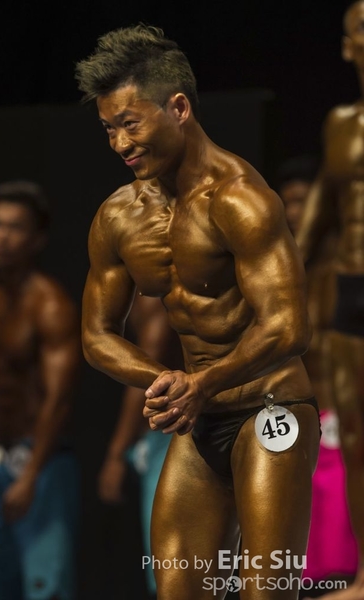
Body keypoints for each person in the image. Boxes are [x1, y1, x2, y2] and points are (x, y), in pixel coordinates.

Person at [76, 24, 320, 600]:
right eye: (108, 128)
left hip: (271, 408)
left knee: (268, 593)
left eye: (130, 123)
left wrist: (202, 382)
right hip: (198, 416)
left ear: (178, 108)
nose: (119, 143)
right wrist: (167, 382)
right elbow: (97, 336)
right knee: (179, 591)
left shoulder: (239, 198)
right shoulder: (118, 217)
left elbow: (289, 326)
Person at [0, 180, 81, 600]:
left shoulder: (50, 304)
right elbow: (0, 388)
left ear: (37, 240)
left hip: (41, 461)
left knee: (45, 588)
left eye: (14, 227)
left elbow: (58, 399)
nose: (2, 236)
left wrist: (31, 473)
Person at [296, 3, 364, 598]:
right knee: (358, 438)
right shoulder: (340, 124)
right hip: (352, 287)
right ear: (348, 46)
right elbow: (319, 208)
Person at [277, 156, 359, 590]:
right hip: (300, 426)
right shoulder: (283, 275)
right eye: (288, 203)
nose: (295, 213)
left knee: (343, 566)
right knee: (301, 573)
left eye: (303, 202)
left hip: (347, 423)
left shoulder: (351, 267)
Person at [98, 293, 183, 598]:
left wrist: (116, 454)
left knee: (173, 568)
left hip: (174, 433)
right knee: (162, 564)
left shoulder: (154, 298)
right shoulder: (133, 292)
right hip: (154, 438)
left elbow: (149, 377)